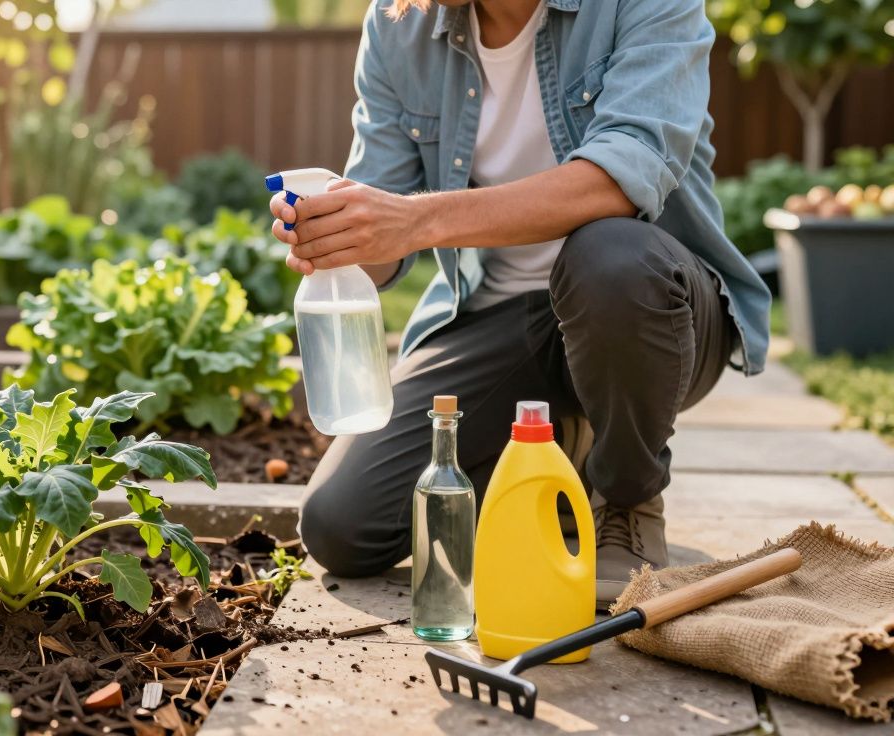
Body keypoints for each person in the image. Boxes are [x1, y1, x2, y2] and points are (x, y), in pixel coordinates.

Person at [269, 0, 770, 608]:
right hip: (501, 317)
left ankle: (628, 500)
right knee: (342, 527)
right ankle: (563, 453)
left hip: (654, 311)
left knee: (609, 253)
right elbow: (385, 231)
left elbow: (623, 175)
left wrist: (415, 220)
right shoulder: (401, 25)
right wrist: (340, 235)